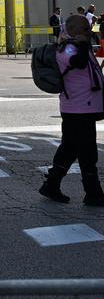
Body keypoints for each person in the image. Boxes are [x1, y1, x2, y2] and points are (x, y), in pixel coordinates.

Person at [38, 14, 104, 207]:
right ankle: (92, 193)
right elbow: (79, 63)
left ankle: (52, 185)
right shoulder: (66, 50)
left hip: (84, 108)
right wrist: (83, 44)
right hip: (77, 109)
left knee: (71, 149)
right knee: (86, 151)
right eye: (83, 29)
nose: (87, 33)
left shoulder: (78, 47)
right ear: (73, 31)